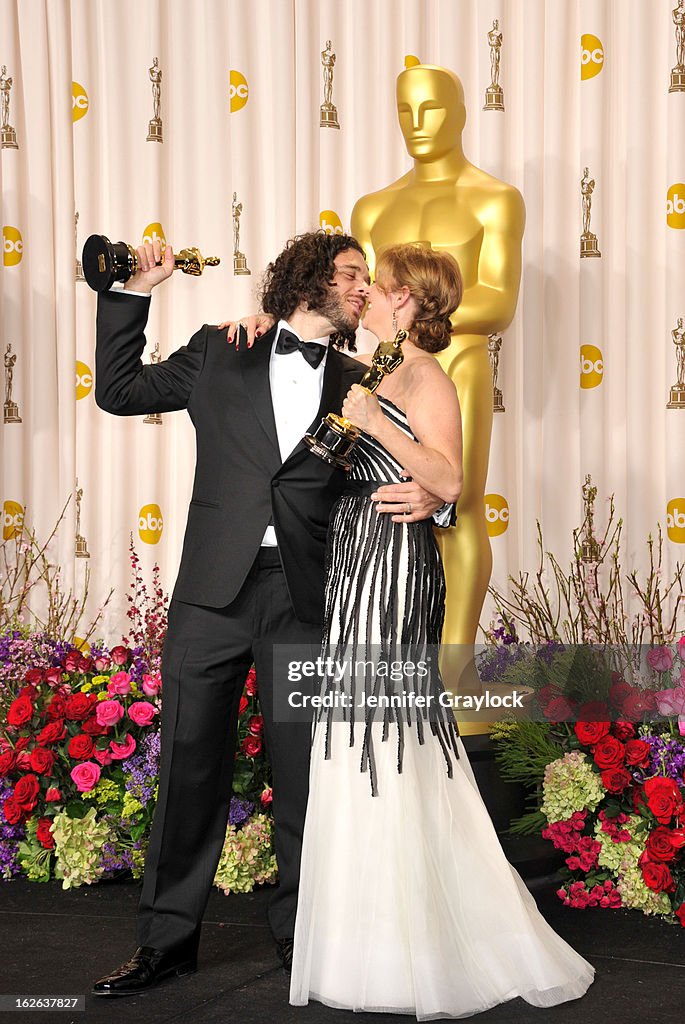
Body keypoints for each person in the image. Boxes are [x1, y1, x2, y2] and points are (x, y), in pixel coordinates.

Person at [90, 230, 446, 997]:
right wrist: (132, 294)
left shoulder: (362, 378)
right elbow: (119, 391)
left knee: (306, 780)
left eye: (364, 279)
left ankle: (303, 942)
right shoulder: (222, 348)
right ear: (306, 281)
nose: (362, 289)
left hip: (309, 598)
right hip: (210, 595)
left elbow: (410, 468)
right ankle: (165, 946)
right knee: (188, 767)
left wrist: (432, 504)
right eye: (350, 274)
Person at [283, 243, 595, 1017]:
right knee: (352, 736)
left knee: (384, 739)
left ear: (410, 303)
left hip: (393, 567)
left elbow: (451, 479)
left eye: (378, 288)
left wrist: (386, 443)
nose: (366, 298)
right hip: (354, 558)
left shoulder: (428, 375)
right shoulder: (371, 368)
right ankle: (363, 948)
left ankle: (414, 951)